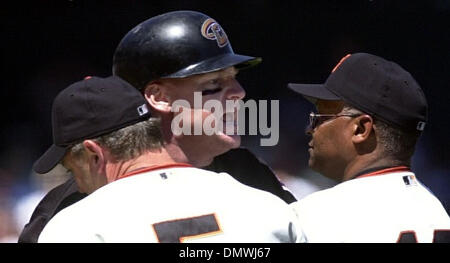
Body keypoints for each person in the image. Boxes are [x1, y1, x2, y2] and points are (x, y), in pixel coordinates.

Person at [19, 10, 295, 243]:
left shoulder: (245, 170)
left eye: (234, 78)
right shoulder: (77, 199)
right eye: (214, 85)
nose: (239, 93)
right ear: (159, 98)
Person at [36, 76, 298, 242]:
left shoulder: (75, 226)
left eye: (73, 170)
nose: (78, 186)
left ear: (94, 154)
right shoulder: (262, 203)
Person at [288, 52, 450, 242]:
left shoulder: (314, 216)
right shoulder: (436, 210)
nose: (309, 129)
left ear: (360, 129)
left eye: (319, 118)